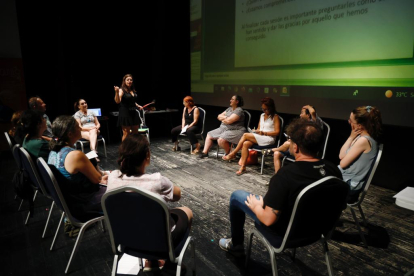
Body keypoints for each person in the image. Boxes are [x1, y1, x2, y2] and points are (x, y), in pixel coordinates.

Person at [218, 118, 343, 256]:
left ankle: (236, 245)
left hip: (285, 235)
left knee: (237, 196)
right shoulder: (333, 171)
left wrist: (257, 206)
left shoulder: (286, 175)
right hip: (319, 232)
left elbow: (268, 219)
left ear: (295, 147)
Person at [107, 134, 193, 271]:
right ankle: (170, 263)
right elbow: (177, 195)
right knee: (186, 211)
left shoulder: (112, 177)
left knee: (141, 215)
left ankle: (151, 262)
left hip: (126, 240)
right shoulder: (157, 180)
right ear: (147, 155)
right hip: (159, 243)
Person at [48, 116, 108, 221]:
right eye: (77, 127)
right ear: (70, 134)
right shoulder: (75, 155)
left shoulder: (53, 152)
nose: (80, 128)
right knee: (124, 192)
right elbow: (99, 180)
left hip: (69, 201)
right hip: (84, 203)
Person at [223, 97, 280, 175]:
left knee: (245, 135)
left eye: (266, 109)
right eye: (262, 109)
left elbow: (277, 132)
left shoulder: (275, 117)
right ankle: (243, 167)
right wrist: (255, 131)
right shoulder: (262, 115)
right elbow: (259, 128)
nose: (264, 111)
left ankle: (233, 153)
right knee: (246, 143)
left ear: (270, 108)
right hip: (260, 137)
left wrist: (264, 133)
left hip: (269, 139)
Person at [339, 105, 382, 200]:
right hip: (345, 180)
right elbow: (341, 156)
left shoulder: (363, 141)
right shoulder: (359, 137)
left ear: (359, 125)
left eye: (351, 120)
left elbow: (342, 164)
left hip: (349, 186)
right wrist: (351, 137)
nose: (349, 122)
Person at [272, 105, 323, 174]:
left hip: (306, 150)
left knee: (287, 144)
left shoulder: (315, 123)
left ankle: (273, 149)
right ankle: (277, 176)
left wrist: (307, 106)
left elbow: (313, 112)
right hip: (296, 148)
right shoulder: (301, 124)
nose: (300, 115)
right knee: (276, 154)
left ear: (308, 115)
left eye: (302, 113)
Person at [114, 74, 142, 141]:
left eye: (131, 80)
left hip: (134, 113)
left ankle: (133, 148)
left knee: (135, 133)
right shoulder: (121, 90)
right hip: (125, 113)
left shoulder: (132, 90)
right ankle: (124, 150)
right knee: (126, 133)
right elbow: (118, 101)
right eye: (128, 80)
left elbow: (132, 101)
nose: (129, 81)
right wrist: (117, 92)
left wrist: (138, 105)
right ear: (124, 81)